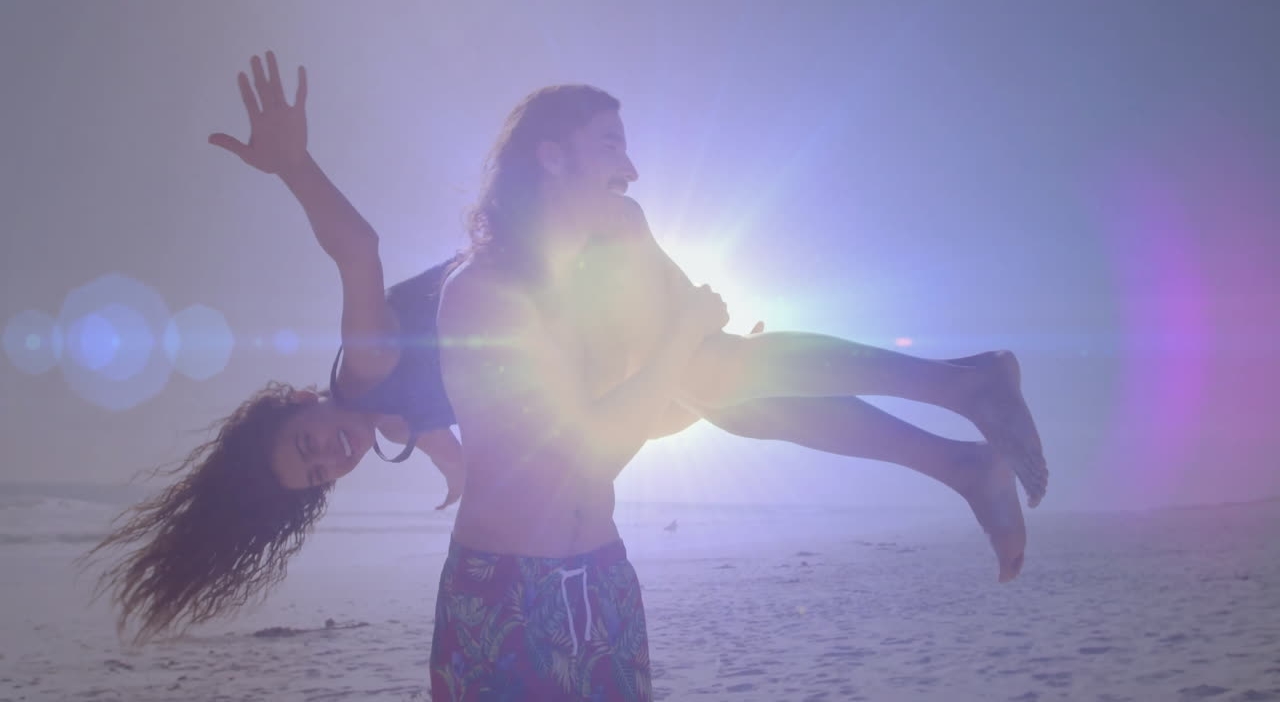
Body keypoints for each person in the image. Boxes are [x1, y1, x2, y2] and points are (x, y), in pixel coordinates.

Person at [83, 52, 1044, 674]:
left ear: (297, 400)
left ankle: (961, 407)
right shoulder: (392, 422)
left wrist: (295, 166)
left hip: (563, 302)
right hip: (577, 339)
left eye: (306, 442)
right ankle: (960, 433)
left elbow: (359, 249)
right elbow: (478, 442)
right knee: (728, 388)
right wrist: (449, 462)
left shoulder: (362, 371)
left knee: (717, 376)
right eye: (317, 474)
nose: (328, 454)